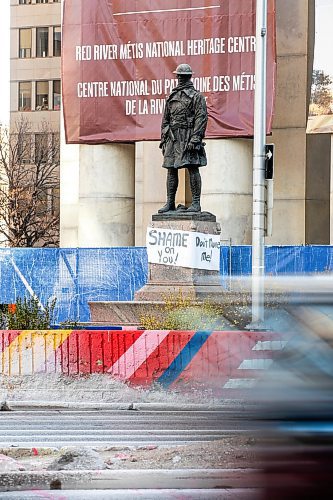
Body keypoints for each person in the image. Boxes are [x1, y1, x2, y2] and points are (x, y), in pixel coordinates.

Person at [158, 64, 208, 213]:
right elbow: (165, 119)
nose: (180, 78)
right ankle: (170, 202)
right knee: (171, 169)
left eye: (183, 76)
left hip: (188, 136)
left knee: (192, 168)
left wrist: (195, 138)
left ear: (189, 77)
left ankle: (196, 202)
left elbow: (201, 118)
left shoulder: (196, 96)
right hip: (173, 137)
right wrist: (164, 138)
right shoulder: (171, 97)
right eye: (179, 75)